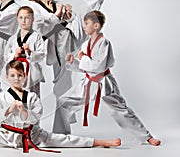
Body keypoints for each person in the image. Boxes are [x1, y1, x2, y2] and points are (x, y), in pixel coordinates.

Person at [18, 0, 118, 134]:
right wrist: (58, 15)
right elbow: (40, 26)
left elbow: (66, 20)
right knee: (55, 88)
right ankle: (33, 129)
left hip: (67, 36)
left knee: (87, 10)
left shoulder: (59, 4)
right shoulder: (33, 6)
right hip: (51, 44)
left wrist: (67, 14)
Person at [63, 10, 161, 146]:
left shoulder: (104, 43)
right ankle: (59, 134)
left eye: (87, 23)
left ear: (96, 26)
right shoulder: (85, 45)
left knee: (121, 110)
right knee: (65, 103)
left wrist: (82, 58)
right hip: (89, 82)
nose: (84, 26)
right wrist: (72, 61)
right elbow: (85, 68)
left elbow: (98, 66)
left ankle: (146, 137)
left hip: (103, 82)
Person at [4, 6, 45, 97]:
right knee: (16, 95)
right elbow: (6, 56)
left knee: (33, 96)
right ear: (17, 19)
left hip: (31, 71)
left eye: (27, 18)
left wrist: (30, 52)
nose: (24, 21)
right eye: (21, 18)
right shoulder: (13, 38)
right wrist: (15, 55)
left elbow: (42, 54)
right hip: (16, 70)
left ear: (32, 19)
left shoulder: (36, 37)